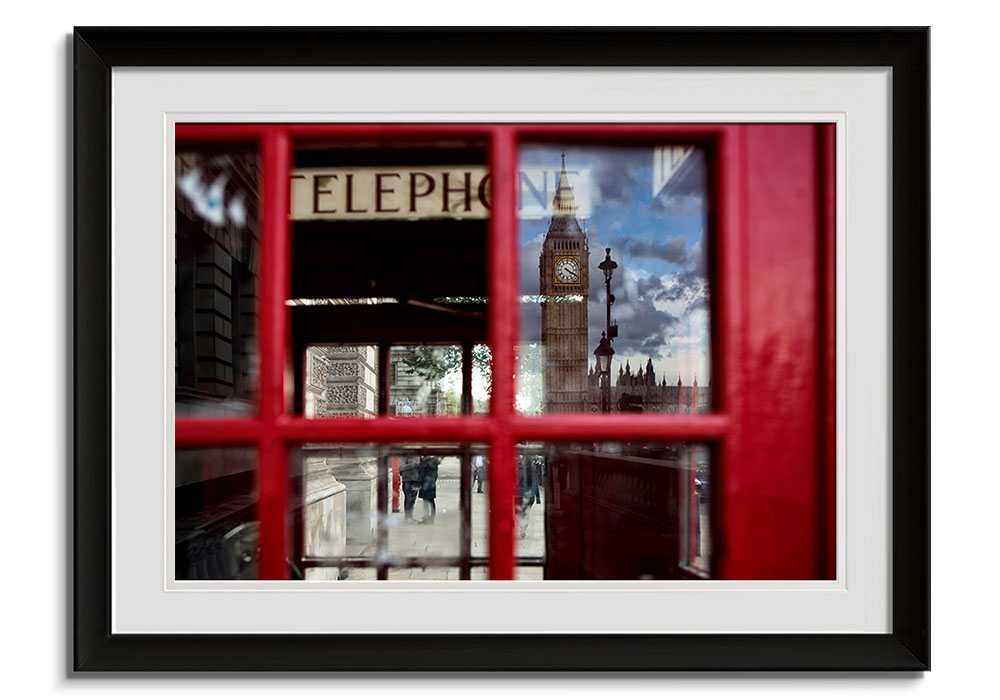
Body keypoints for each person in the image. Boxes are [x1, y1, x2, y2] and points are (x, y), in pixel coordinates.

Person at [515, 455, 537, 539]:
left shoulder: (518, 470)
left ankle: (521, 526)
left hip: (519, 494)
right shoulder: (533, 470)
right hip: (531, 495)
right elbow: (535, 484)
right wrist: (537, 497)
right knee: (526, 513)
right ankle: (523, 529)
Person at [418, 455, 440, 524]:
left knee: (425, 502)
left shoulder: (424, 462)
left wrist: (418, 484)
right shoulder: (434, 462)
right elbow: (436, 475)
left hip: (425, 484)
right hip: (432, 483)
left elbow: (421, 474)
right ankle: (432, 518)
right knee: (431, 501)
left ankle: (426, 517)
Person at [399, 454, 421, 522]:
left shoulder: (418, 456)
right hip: (407, 480)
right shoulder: (404, 456)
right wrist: (414, 465)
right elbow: (401, 467)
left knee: (413, 499)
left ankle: (410, 516)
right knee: (408, 498)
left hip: (416, 481)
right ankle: (407, 517)